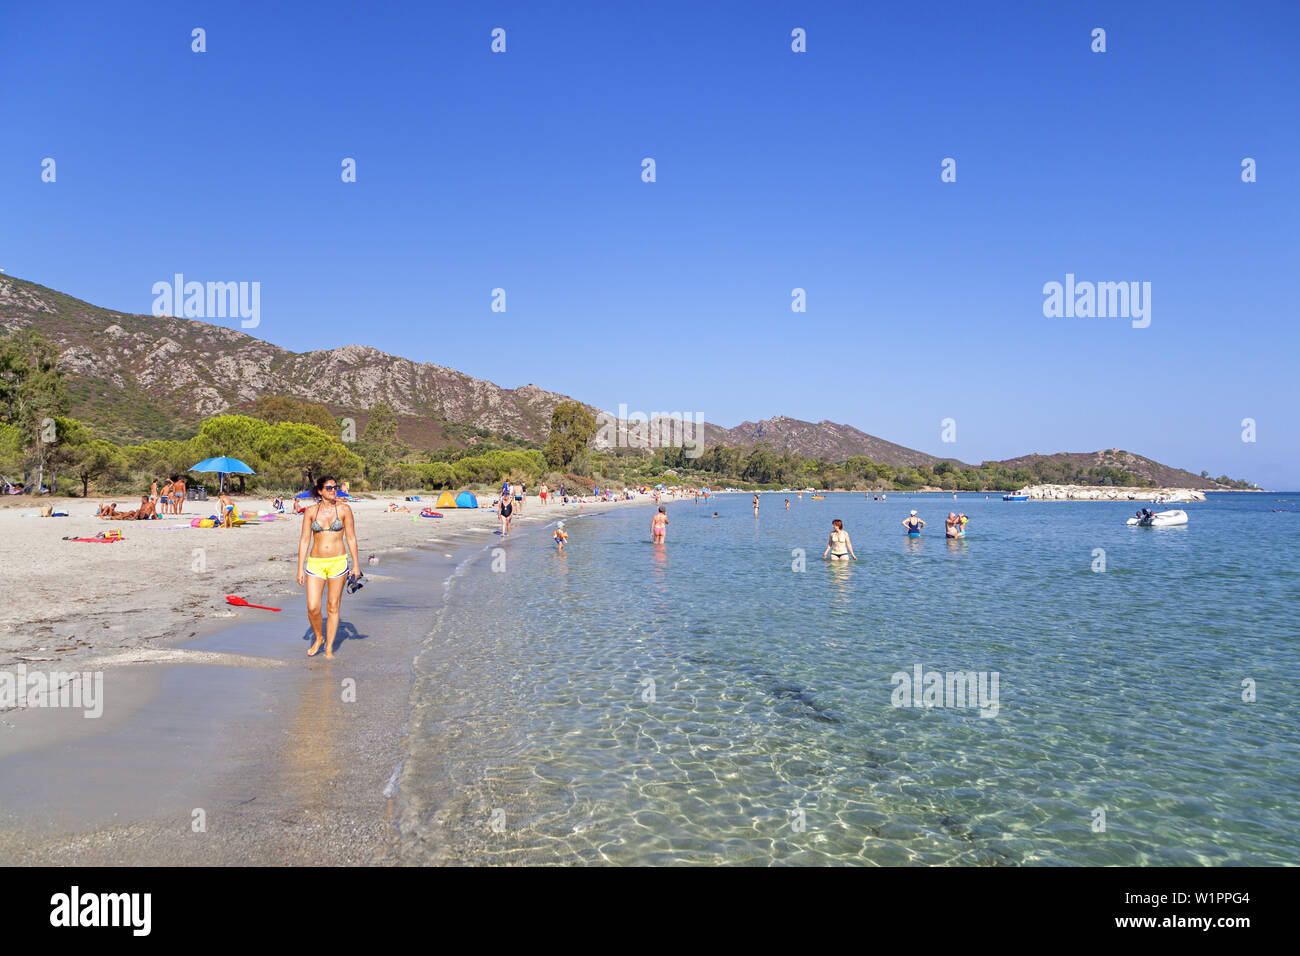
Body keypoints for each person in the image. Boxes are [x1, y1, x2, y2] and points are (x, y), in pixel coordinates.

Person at [296, 475, 360, 659]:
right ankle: (319, 638)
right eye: (330, 488)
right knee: (313, 608)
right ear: (320, 491)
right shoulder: (310, 511)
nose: (334, 490)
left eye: (335, 487)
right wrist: (300, 567)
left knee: (333, 606)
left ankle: (330, 648)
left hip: (338, 563)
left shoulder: (344, 509)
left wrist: (356, 565)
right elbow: (304, 540)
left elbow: (351, 538)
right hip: (315, 563)